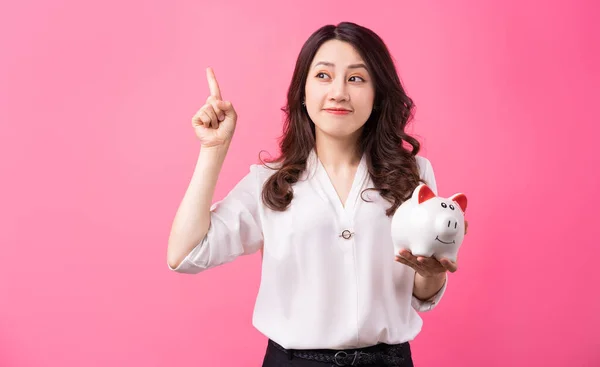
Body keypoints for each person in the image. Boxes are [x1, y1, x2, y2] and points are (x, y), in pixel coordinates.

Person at [167, 21, 467, 367]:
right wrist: (213, 150)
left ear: (378, 95)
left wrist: (432, 272)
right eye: (323, 76)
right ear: (303, 92)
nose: (338, 92)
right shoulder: (270, 182)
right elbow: (185, 254)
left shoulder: (414, 175)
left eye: (356, 78)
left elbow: (421, 292)